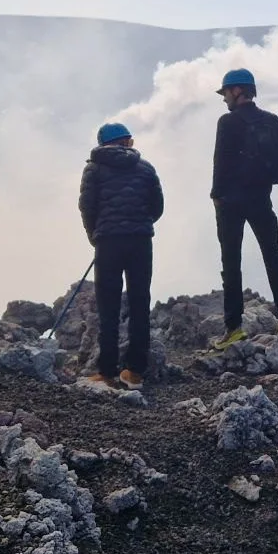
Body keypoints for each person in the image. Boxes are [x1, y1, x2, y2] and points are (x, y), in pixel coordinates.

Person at [210, 68, 278, 350]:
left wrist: (217, 196)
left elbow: (220, 163)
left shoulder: (227, 122)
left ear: (237, 91)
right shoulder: (271, 120)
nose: (224, 99)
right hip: (261, 199)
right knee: (273, 255)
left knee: (231, 263)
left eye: (225, 93)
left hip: (231, 203)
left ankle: (233, 328)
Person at [78, 122, 164, 389]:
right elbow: (157, 206)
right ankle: (134, 372)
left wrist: (96, 234)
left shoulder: (93, 169)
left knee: (108, 306)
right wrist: (140, 222)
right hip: (140, 241)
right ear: (127, 142)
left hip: (108, 243)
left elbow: (86, 207)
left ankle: (106, 371)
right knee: (140, 303)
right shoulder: (146, 168)